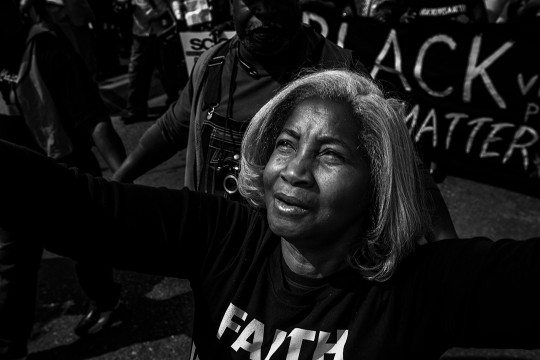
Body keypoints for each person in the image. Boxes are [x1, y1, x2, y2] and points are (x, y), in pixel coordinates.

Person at [1, 68, 540, 360]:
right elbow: (76, 207)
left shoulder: (418, 289)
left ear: (379, 183)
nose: (295, 171)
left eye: (330, 154)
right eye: (286, 144)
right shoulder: (223, 235)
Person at [113, 0, 456, 240]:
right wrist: (118, 181)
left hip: (310, 268)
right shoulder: (211, 68)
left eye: (275, 1)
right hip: (221, 253)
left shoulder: (340, 72)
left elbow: (400, 161)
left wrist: (445, 244)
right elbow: (172, 128)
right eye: (250, 4)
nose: (263, 15)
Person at [0, 1, 128, 358]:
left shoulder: (48, 49)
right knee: (11, 268)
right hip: (14, 181)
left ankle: (105, 299)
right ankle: (10, 348)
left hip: (62, 173)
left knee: (88, 248)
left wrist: (123, 181)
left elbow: (93, 119)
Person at [118, 0, 188, 124]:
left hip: (163, 28)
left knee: (167, 69)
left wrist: (178, 17)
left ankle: (175, 103)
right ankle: (136, 109)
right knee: (136, 71)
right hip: (141, 32)